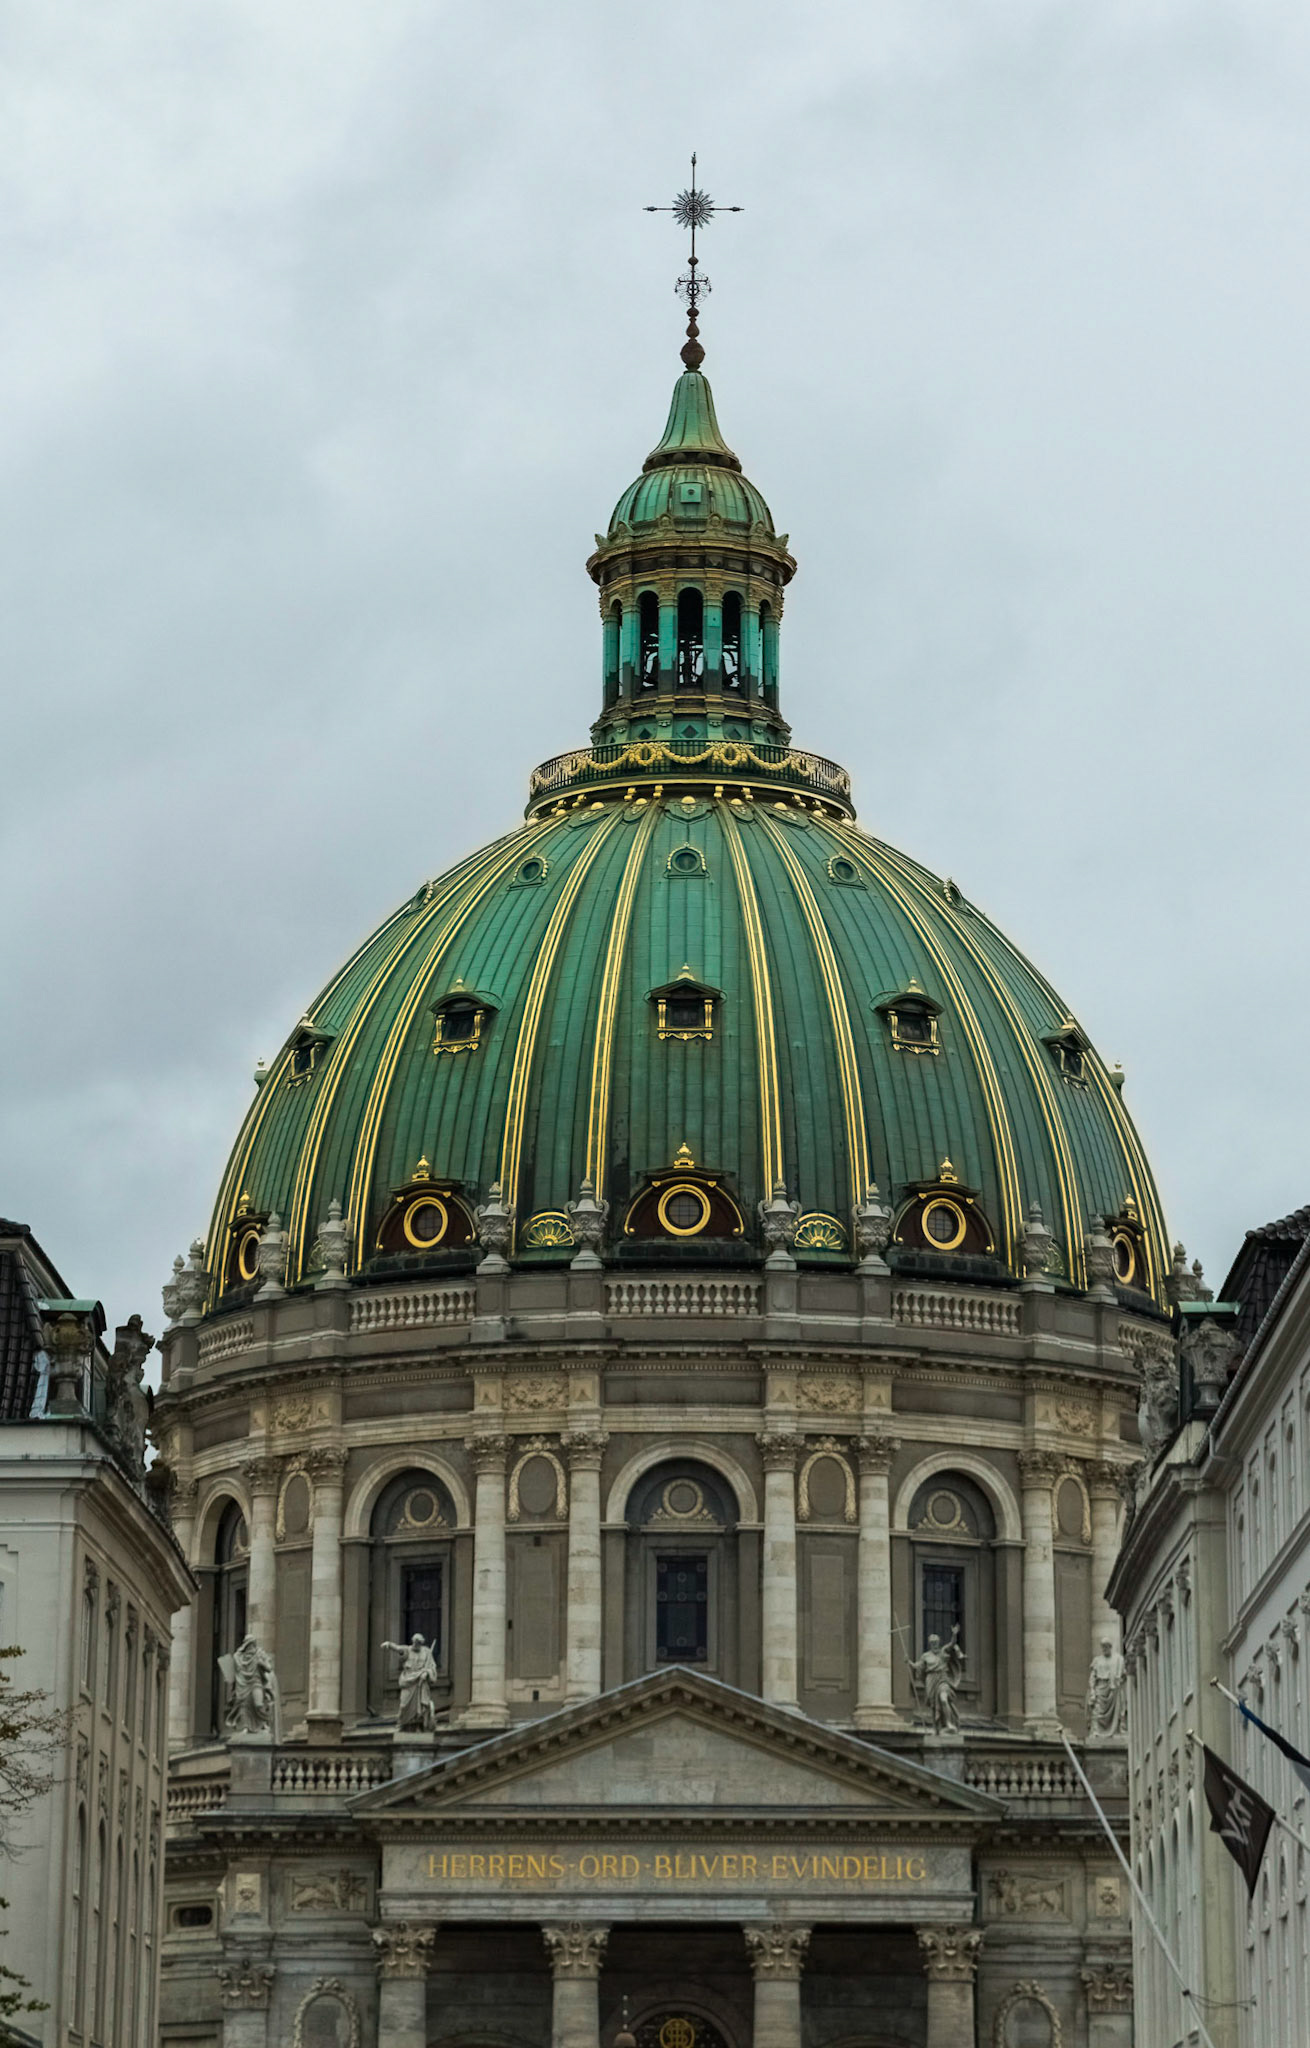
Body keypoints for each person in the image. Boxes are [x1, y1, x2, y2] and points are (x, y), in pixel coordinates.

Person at [906, 1627, 965, 1734]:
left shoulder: (943, 1651)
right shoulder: (926, 1656)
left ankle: (949, 1724)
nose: (934, 1644)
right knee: (934, 1706)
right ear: (930, 1644)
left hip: (943, 1679)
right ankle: (937, 1728)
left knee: (943, 1699)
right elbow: (918, 1666)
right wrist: (909, 1662)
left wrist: (954, 1634)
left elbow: (952, 1643)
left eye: (936, 1642)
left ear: (939, 1642)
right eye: (932, 1642)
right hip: (931, 1680)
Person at [220, 1635, 279, 1736]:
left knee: (259, 1704)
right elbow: (229, 1669)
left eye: (253, 1644)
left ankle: (264, 1723)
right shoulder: (238, 1657)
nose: (251, 1646)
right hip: (242, 1685)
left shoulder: (260, 1654)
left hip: (256, 1682)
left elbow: (269, 1668)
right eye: (249, 1644)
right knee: (244, 1706)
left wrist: (262, 1663)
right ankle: (246, 1727)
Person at [381, 1633, 441, 1730]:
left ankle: (419, 1725)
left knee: (423, 1706)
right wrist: (388, 1644)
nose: (414, 1645)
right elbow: (397, 1648)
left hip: (421, 1681)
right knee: (404, 1705)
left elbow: (432, 1667)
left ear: (420, 1644)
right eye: (413, 1642)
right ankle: (401, 1724)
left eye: (417, 1643)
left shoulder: (426, 1652)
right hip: (408, 1680)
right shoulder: (407, 1649)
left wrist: (426, 1673)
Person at [1086, 1635, 1127, 1740]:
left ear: (1110, 1647)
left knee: (1117, 1709)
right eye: (1102, 1647)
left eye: (1106, 1646)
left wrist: (1118, 1681)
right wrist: (1092, 1691)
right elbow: (1092, 1677)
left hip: (1113, 1689)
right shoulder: (1097, 1660)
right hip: (1100, 1687)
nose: (1104, 1649)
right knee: (1097, 1710)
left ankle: (1117, 1729)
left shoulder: (1118, 1659)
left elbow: (1123, 1675)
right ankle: (1096, 1731)